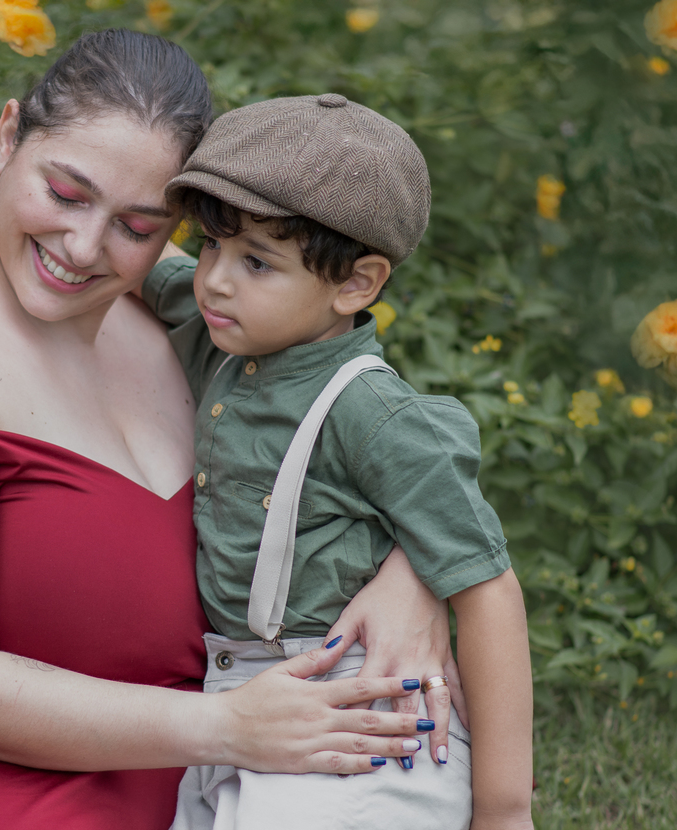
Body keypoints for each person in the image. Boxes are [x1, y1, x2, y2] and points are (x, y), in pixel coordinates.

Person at [0, 31, 466, 830]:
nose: (82, 247)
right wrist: (227, 728)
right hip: (20, 795)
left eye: (138, 226)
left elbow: (364, 431)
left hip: (217, 780)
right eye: (65, 194)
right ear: (7, 138)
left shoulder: (177, 320)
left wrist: (412, 574)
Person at [139, 97, 532, 829]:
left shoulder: (370, 415)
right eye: (214, 246)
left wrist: (504, 812)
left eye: (257, 261)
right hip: (237, 695)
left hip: (356, 705)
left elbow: (490, 592)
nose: (216, 279)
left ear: (356, 284)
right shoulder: (222, 333)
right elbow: (137, 258)